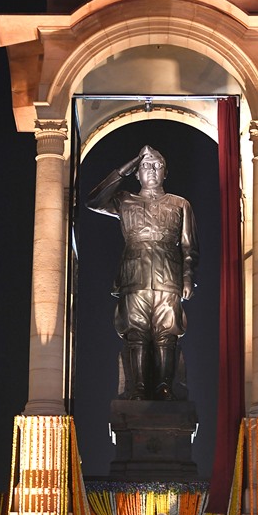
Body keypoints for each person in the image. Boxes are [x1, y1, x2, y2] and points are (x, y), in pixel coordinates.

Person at [86, 145, 199, 401]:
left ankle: (164, 387)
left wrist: (188, 276)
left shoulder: (180, 204)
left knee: (166, 333)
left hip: (168, 274)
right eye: (146, 165)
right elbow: (94, 200)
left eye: (158, 165)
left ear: (165, 172)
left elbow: (189, 245)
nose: (152, 170)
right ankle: (136, 388)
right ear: (137, 172)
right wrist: (125, 167)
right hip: (133, 275)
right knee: (135, 333)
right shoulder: (125, 200)